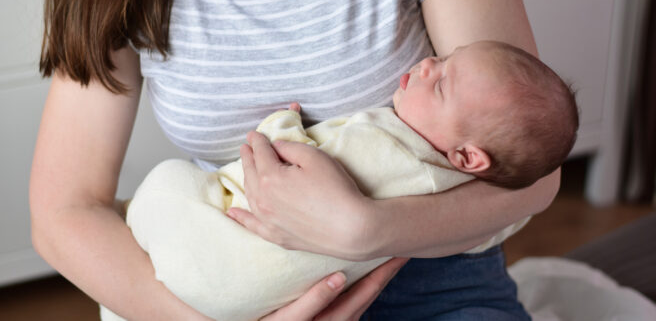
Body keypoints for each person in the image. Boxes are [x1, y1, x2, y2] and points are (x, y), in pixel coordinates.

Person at [30, 0, 561, 320]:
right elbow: (65, 211)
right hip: (225, 293)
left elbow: (534, 172)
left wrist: (369, 230)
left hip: (431, 280)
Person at [100, 40, 578, 321]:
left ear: (468, 156)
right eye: (444, 58)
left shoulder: (386, 142)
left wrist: (282, 123)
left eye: (441, 83)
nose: (428, 64)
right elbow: (509, 214)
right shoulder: (457, 181)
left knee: (169, 182)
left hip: (238, 278)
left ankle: (136, 219)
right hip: (253, 302)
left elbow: (292, 158)